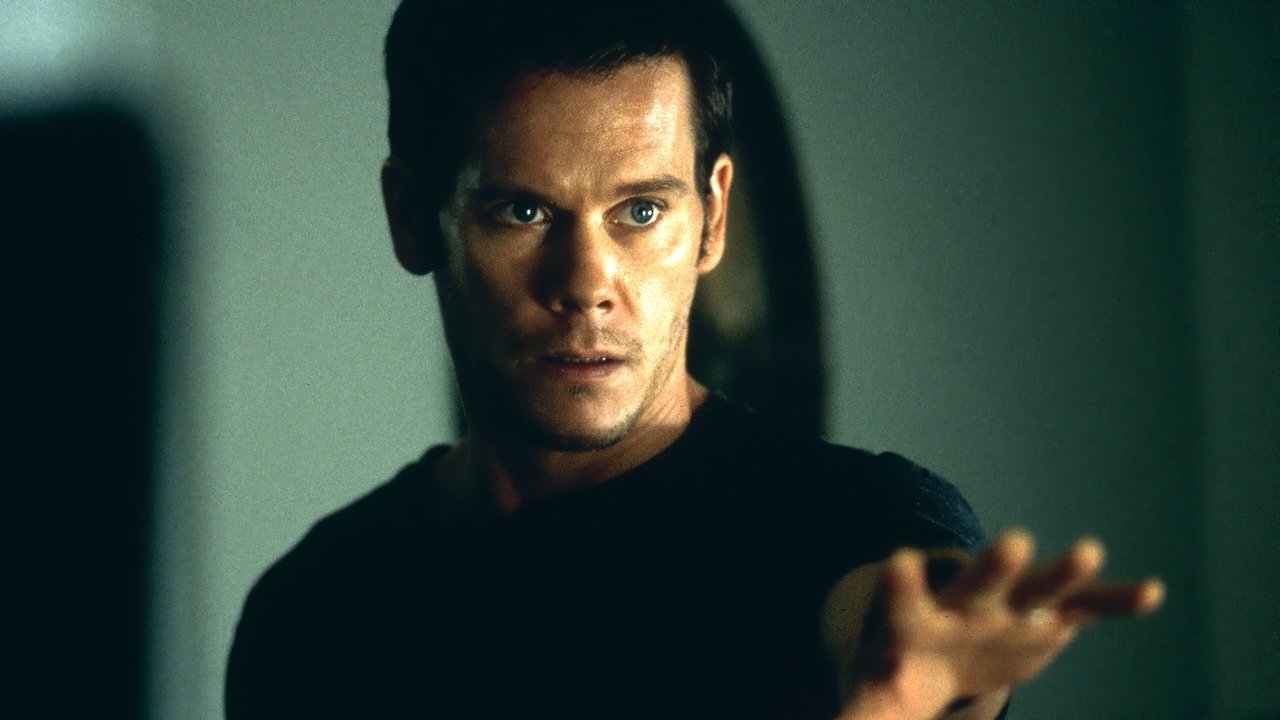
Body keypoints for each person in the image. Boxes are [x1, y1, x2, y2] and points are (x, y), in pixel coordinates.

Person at [226, 1, 1163, 717]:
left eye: (641, 212)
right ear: (411, 217)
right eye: (523, 211)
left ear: (712, 217)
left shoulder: (846, 525)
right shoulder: (317, 610)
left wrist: (904, 689)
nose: (587, 283)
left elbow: (887, 616)